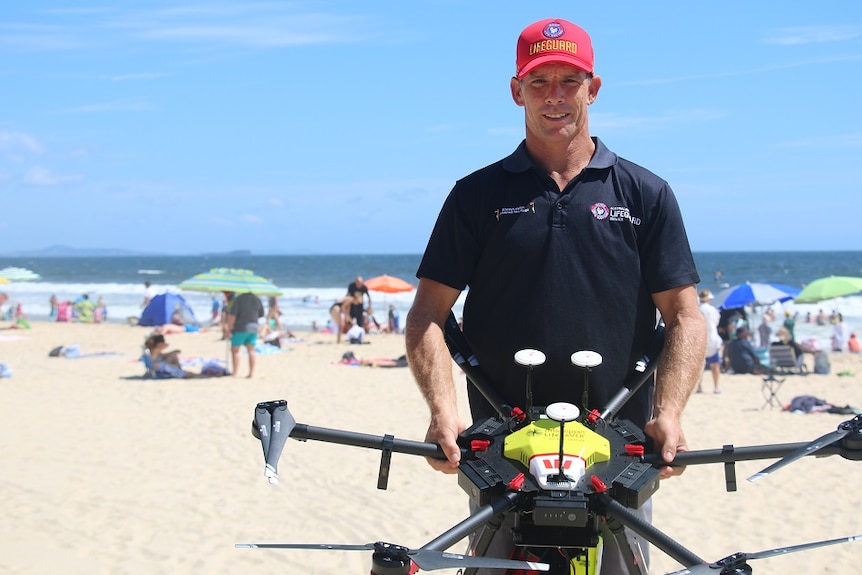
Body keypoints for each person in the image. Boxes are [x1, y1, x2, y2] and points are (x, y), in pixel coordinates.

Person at [404, 18, 705, 575]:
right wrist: (444, 412)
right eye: (540, 81)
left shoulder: (645, 193)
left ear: (594, 88)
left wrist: (670, 413)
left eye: (570, 80)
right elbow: (427, 313)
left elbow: (685, 317)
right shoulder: (477, 194)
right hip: (502, 449)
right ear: (516, 90)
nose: (556, 96)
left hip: (619, 448)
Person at [228, 291, 264, 378]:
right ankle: (251, 373)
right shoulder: (257, 299)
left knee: (235, 350)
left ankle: (235, 373)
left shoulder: (238, 299)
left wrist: (229, 327)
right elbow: (261, 314)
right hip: (254, 327)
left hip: (241, 327)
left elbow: (233, 316)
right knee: (251, 350)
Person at [696, 289, 722, 394]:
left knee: (699, 366)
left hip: (699, 338)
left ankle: (699, 387)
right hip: (712, 337)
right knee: (715, 364)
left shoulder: (697, 309)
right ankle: (716, 387)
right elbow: (716, 322)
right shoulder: (712, 309)